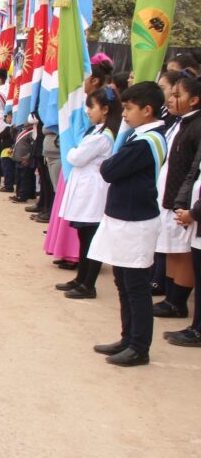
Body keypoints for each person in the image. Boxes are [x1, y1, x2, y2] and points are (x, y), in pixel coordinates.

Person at [89, 82, 168, 367]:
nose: (124, 114)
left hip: (136, 222)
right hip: (124, 218)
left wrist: (109, 164)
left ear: (147, 110)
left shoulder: (146, 142)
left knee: (136, 286)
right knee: (122, 282)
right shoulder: (139, 137)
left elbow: (109, 170)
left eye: (129, 108)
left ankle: (139, 347)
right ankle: (127, 338)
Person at [55, 88, 121, 299]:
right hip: (86, 190)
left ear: (105, 109)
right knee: (84, 237)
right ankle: (80, 278)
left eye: (91, 107)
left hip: (93, 193)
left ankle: (88, 284)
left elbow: (77, 157)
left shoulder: (103, 136)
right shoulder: (96, 131)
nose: (87, 111)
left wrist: (70, 149)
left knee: (91, 239)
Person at [153, 75, 201, 318]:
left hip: (184, 203)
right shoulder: (181, 122)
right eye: (171, 94)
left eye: (177, 95)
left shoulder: (197, 126)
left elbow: (193, 169)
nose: (170, 99)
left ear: (194, 100)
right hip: (171, 198)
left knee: (182, 252)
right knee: (171, 248)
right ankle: (170, 297)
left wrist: (183, 203)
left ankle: (178, 302)